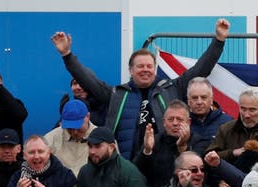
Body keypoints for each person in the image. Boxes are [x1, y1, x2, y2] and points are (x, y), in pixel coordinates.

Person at [51, 19, 230, 160]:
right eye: (140, 66)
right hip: (126, 165)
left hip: (163, 162)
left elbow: (201, 68)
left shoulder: (171, 88)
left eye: (149, 66)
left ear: (154, 68)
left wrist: (219, 40)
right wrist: (67, 55)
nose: (145, 69)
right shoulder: (117, 94)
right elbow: (88, 80)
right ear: (131, 70)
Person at [134, 100, 198, 187]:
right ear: (164, 122)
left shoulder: (198, 141)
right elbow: (136, 172)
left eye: (179, 119)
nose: (175, 123)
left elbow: (196, 172)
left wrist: (182, 147)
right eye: (170, 119)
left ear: (188, 122)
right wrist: (147, 151)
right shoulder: (154, 141)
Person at [206, 87, 258, 171]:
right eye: (243, 109)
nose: (246, 115)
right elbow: (208, 158)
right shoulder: (226, 129)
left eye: (252, 110)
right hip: (230, 181)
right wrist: (232, 153)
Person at [44, 99, 97, 176]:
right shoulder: (51, 139)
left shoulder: (102, 139)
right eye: (70, 128)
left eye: (78, 126)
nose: (74, 132)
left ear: (88, 116)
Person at [186, 77, 233, 157]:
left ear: (211, 99)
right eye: (194, 98)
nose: (199, 102)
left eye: (204, 97)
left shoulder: (227, 122)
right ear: (188, 101)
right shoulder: (182, 123)